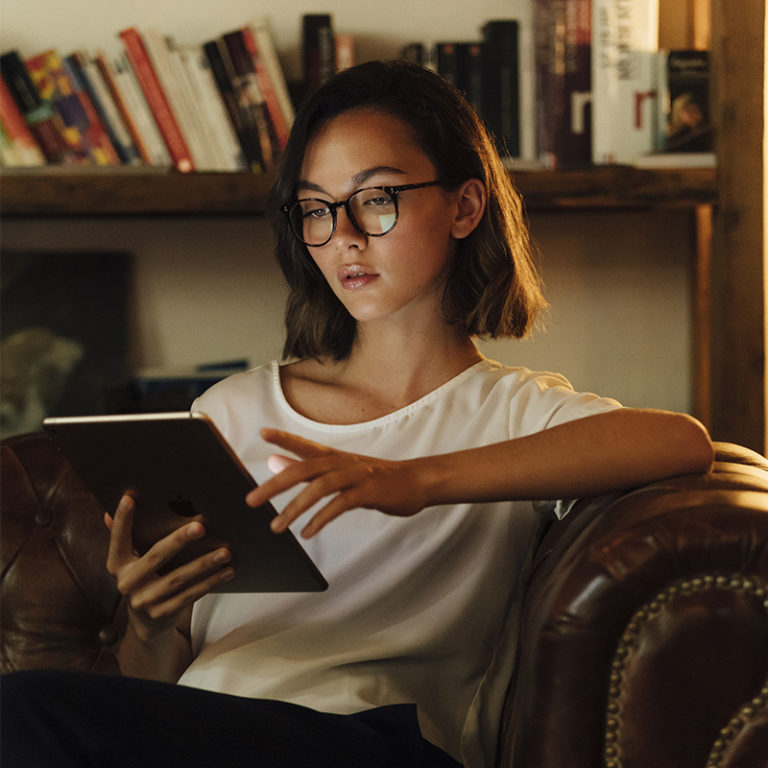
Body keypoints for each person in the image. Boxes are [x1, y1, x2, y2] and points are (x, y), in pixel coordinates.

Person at [1, 59, 713, 768]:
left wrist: (414, 479)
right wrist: (152, 621)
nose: (343, 234)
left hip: (382, 742)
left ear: (466, 206)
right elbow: (150, 689)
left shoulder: (511, 413)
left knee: (19, 709)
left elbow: (679, 442)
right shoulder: (231, 410)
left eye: (376, 198)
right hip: (204, 729)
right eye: (315, 208)